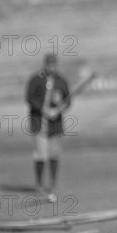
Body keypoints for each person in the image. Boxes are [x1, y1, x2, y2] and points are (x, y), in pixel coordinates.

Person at [25, 53, 70, 202]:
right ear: (45, 64)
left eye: (54, 64)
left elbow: (67, 100)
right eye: (49, 64)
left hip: (55, 125)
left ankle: (53, 185)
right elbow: (29, 98)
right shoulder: (36, 80)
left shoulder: (61, 81)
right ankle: (39, 185)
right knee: (41, 155)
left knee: (54, 155)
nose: (52, 67)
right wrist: (43, 110)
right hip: (39, 124)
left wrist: (59, 109)